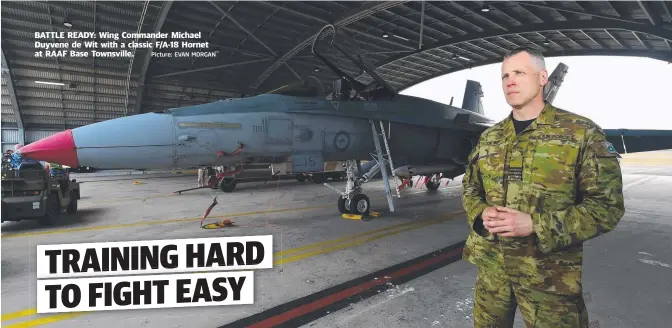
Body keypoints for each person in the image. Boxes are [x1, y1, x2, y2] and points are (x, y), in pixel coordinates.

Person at [461, 47, 625, 327]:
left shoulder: (581, 133)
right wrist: (481, 212)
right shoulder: (490, 137)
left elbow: (607, 207)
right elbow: (470, 187)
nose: (509, 81)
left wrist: (536, 225)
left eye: (519, 73)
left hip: (550, 280)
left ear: (542, 78)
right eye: (505, 76)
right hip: (491, 273)